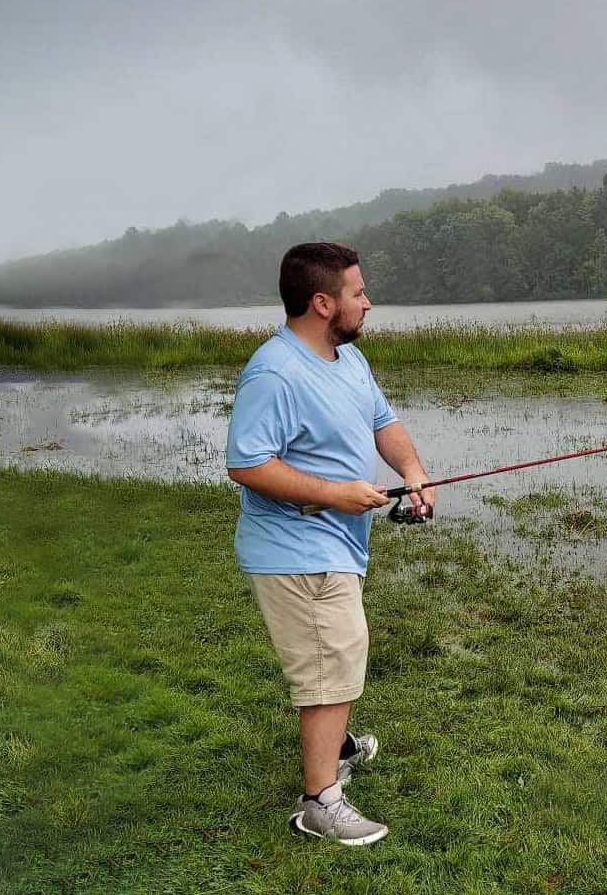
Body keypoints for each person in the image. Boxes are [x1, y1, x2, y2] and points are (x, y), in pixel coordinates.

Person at [225, 241, 434, 846]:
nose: (368, 303)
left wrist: (414, 475)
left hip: (336, 544)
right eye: (358, 292)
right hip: (296, 548)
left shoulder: (347, 361)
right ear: (322, 303)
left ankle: (334, 744)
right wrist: (336, 494)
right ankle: (320, 802)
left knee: (334, 653)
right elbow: (246, 463)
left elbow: (383, 423)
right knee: (331, 659)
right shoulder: (274, 372)